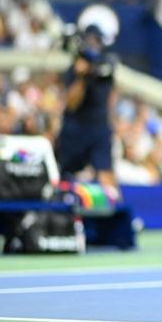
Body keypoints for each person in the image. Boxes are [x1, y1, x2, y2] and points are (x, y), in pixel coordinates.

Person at [55, 26, 120, 197]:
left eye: (95, 41)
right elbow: (72, 103)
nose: (92, 45)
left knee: (106, 175)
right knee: (64, 176)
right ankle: (59, 210)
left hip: (99, 128)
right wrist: (81, 77)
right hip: (74, 129)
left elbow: (110, 97)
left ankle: (115, 209)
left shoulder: (106, 67)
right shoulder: (75, 69)